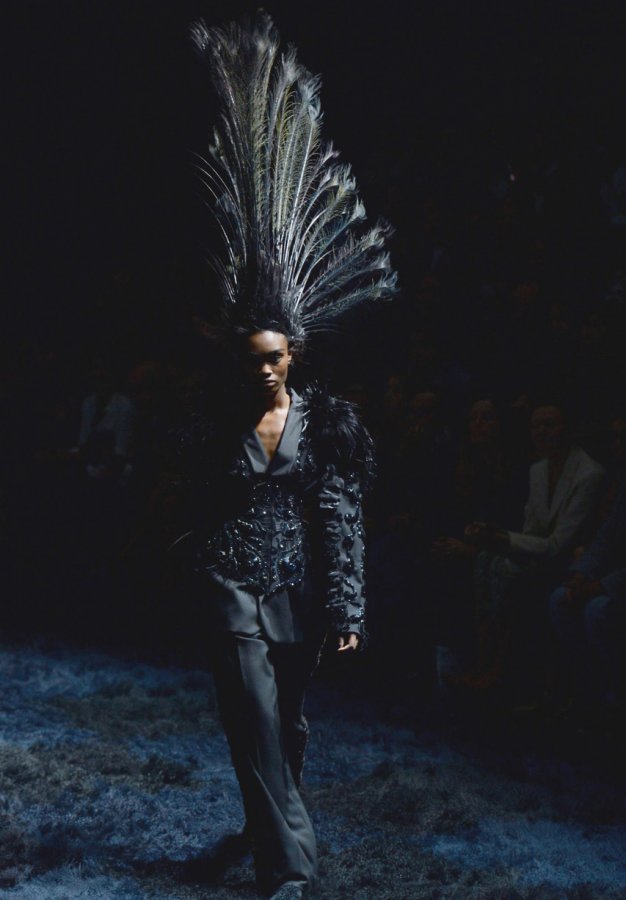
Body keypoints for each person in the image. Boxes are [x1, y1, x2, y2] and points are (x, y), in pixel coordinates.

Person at [182, 14, 397, 899]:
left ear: (293, 355)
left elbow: (341, 517)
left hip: (301, 594)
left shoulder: (328, 424)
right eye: (251, 359)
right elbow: (192, 501)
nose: (263, 370)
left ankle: (259, 827)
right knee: (255, 719)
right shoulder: (215, 426)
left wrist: (346, 605)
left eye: (273, 357)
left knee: (287, 727)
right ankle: (291, 869)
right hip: (233, 585)